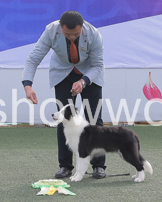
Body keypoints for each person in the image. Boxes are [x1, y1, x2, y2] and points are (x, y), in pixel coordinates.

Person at [22, 10, 106, 179]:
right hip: (63, 74)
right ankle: (65, 166)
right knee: (63, 119)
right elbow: (33, 59)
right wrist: (28, 86)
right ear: (61, 27)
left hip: (90, 75)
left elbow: (97, 65)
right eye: (68, 34)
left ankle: (98, 166)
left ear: (82, 27)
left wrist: (83, 82)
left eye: (76, 34)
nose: (72, 37)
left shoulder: (94, 34)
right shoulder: (51, 31)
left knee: (94, 119)